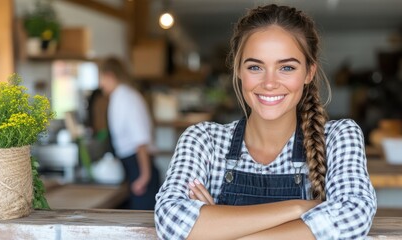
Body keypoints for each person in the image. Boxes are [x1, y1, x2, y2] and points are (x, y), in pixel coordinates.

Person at [154, 3, 377, 240]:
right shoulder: (203, 140)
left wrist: (216, 225)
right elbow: (171, 221)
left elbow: (354, 215)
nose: (269, 83)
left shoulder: (338, 137)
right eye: (255, 67)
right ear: (238, 70)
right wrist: (299, 208)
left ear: (309, 73)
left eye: (287, 67)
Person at [99, 57, 159, 210]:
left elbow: (141, 141)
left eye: (101, 78)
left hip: (140, 166)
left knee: (142, 223)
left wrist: (144, 177)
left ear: (110, 75)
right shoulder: (119, 97)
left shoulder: (127, 98)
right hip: (133, 166)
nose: (100, 84)